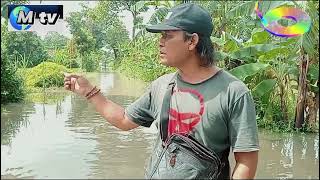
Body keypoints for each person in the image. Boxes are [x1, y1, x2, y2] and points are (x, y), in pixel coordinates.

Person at [64, 3, 259, 179]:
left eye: (168, 35)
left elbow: (246, 161)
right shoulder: (161, 86)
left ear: (192, 41)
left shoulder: (234, 93)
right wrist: (90, 91)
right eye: (161, 36)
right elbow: (124, 119)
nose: (160, 42)